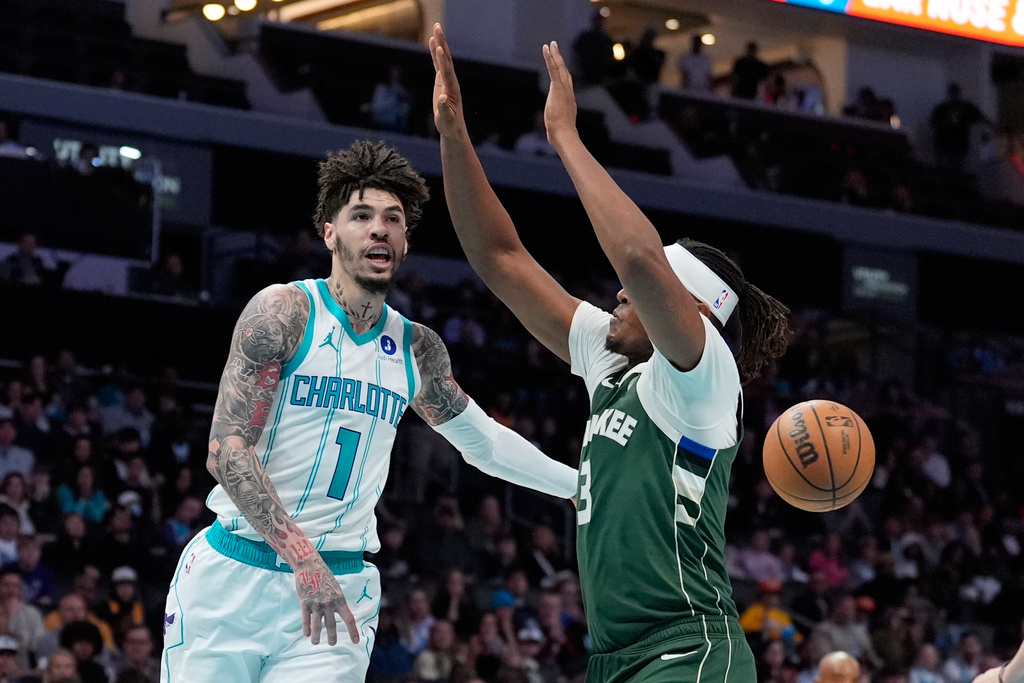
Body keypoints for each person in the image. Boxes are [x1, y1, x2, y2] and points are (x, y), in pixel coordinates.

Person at [430, 23, 790, 683]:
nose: (619, 293)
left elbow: (635, 255)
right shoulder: (613, 361)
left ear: (693, 309)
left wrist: (565, 135)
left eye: (645, 292)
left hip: (687, 650)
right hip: (613, 659)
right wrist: (454, 137)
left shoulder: (704, 377)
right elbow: (499, 257)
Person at [159, 139, 578, 682]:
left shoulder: (416, 348)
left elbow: (486, 443)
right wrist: (301, 560)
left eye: (393, 218)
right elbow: (227, 451)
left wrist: (579, 485)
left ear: (405, 241)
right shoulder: (284, 312)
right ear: (330, 233)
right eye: (361, 215)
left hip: (342, 588)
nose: (379, 228)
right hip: (237, 572)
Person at [930, 83, 987, 171]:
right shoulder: (942, 108)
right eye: (952, 92)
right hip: (944, 143)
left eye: (955, 92)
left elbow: (980, 117)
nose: (954, 95)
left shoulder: (965, 107)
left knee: (956, 169)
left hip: (958, 144)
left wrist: (993, 127)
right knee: (945, 169)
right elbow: (933, 123)